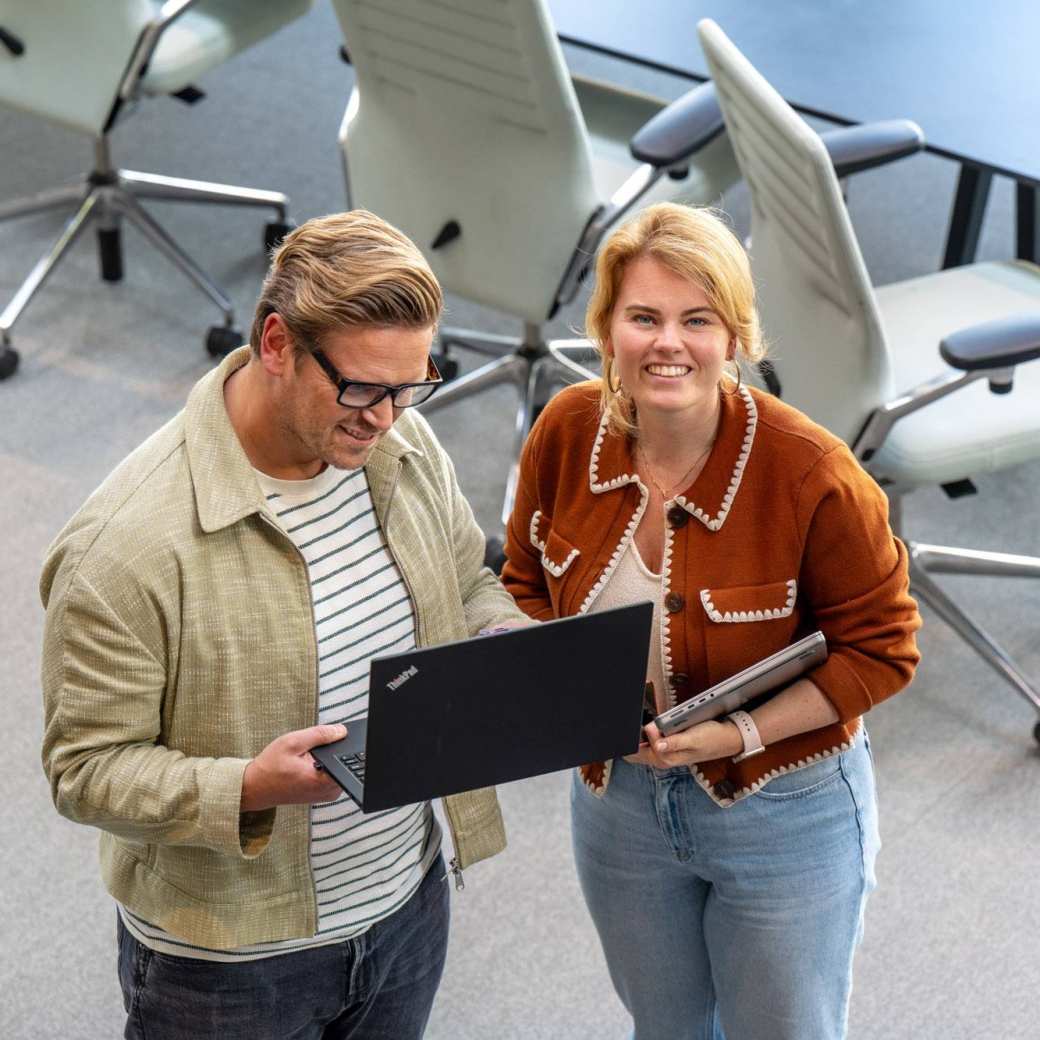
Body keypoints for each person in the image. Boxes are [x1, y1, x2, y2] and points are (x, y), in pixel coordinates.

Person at [40, 210, 529, 1040]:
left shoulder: (401, 444)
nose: (385, 417)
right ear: (276, 344)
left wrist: (497, 639)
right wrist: (250, 788)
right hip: (228, 968)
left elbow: (466, 580)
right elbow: (84, 772)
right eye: (363, 388)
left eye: (412, 387)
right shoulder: (123, 549)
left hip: (404, 905)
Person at [502, 202, 922, 1040]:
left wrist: (736, 737)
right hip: (616, 794)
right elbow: (522, 584)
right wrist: (554, 694)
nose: (669, 343)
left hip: (781, 804)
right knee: (666, 1028)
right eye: (644, 317)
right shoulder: (564, 431)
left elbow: (883, 651)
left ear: (735, 338)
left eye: (698, 320)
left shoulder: (812, 476)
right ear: (608, 330)